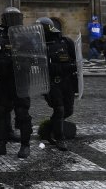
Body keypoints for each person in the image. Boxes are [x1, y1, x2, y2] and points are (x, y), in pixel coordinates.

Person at [0, 6, 33, 159]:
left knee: (22, 113)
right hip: (3, 82)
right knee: (1, 113)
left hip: (21, 81)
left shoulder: (26, 38)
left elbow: (35, 59)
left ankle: (25, 145)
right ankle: (1, 144)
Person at [38, 17, 77, 151]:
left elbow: (75, 61)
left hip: (67, 82)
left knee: (68, 110)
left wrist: (71, 68)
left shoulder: (66, 42)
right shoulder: (40, 46)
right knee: (59, 109)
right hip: (52, 82)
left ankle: (48, 128)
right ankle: (60, 138)